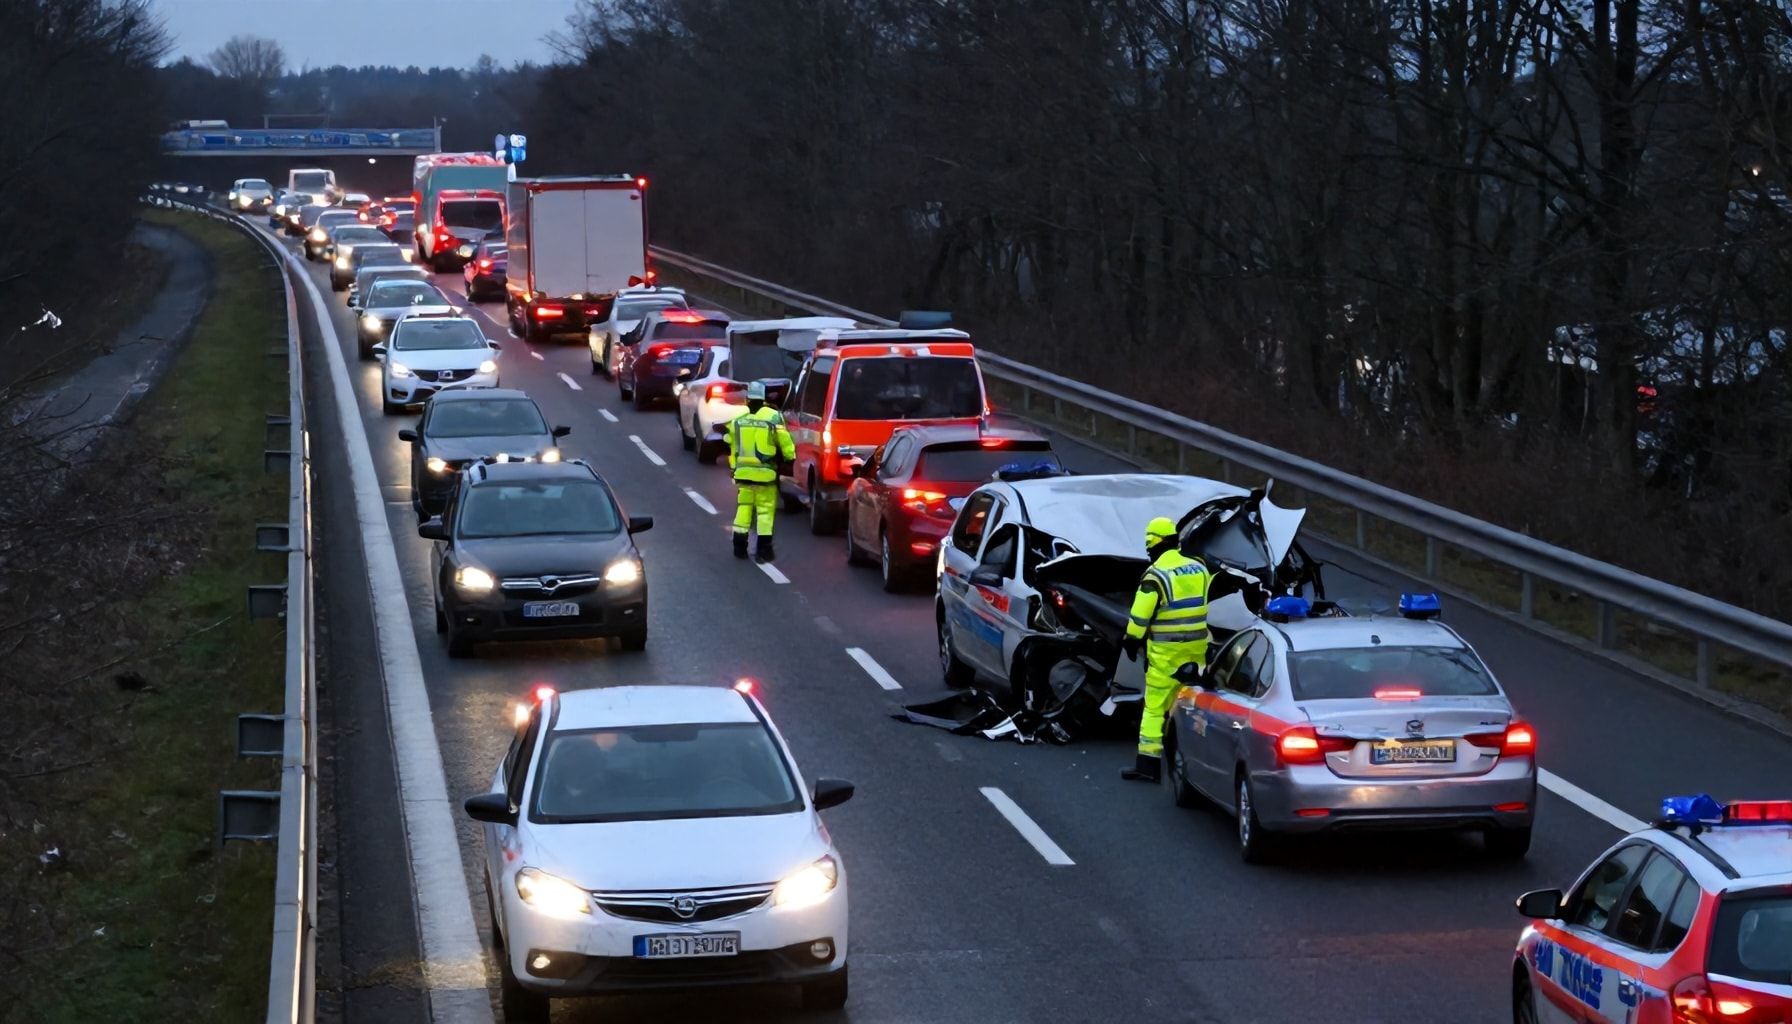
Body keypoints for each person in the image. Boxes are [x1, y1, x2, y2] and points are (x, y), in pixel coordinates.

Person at [1119, 517, 1210, 782]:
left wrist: (1130, 641)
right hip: (1196, 650)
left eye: (1149, 545)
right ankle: (1195, 764)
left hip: (1165, 654)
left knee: (1155, 707)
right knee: (1191, 706)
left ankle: (1148, 764)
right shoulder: (1198, 568)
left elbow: (1139, 617)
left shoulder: (1155, 575)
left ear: (1154, 542)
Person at [726, 382, 795, 563]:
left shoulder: (738, 421)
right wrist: (790, 458)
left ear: (747, 399)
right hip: (766, 475)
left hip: (744, 475)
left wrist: (734, 469)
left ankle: (739, 547)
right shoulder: (773, 417)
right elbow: (785, 442)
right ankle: (763, 551)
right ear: (763, 399)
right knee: (764, 512)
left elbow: (734, 449)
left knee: (744, 509)